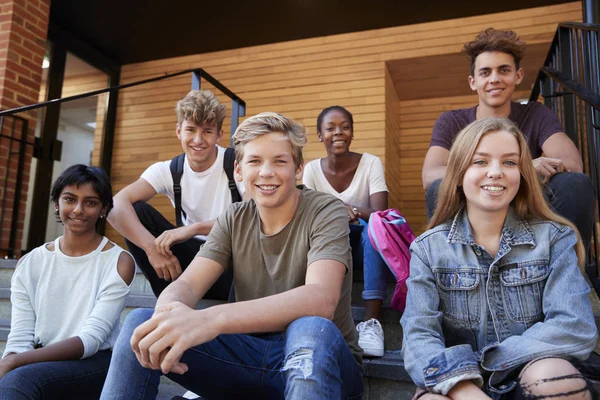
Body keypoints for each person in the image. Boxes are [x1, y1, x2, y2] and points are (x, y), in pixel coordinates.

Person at [99, 112, 363, 400]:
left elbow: (320, 299)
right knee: (142, 324)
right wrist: (168, 315)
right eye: (254, 161)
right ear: (238, 171)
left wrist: (212, 319)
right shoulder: (234, 217)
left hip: (319, 362)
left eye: (279, 161)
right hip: (247, 357)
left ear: (298, 169)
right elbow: (187, 285)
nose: (266, 172)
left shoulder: (327, 210)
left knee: (310, 327)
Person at [402, 118, 598, 399]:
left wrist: (489, 360)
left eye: (509, 162)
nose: (495, 172)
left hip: (530, 372)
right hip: (460, 383)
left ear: (522, 174)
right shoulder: (427, 249)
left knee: (552, 376)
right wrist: (462, 384)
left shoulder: (555, 238)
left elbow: (573, 326)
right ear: (458, 173)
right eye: (480, 161)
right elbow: (419, 336)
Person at [422, 28, 594, 248]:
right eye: (485, 72)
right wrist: (515, 167)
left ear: (517, 76)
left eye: (503, 70)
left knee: (575, 183)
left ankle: (567, 266)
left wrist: (521, 174)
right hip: (475, 205)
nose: (495, 79)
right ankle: (451, 268)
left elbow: (572, 164)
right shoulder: (451, 121)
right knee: (439, 187)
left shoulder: (536, 113)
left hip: (523, 203)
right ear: (473, 81)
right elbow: (430, 174)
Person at [0, 164, 135, 400]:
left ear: (104, 209)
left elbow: (91, 340)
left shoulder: (119, 262)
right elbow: (20, 336)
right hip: (39, 359)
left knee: (18, 380)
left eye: (90, 202)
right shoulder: (29, 263)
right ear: (57, 203)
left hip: (94, 363)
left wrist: (13, 362)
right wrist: (10, 360)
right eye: (70, 199)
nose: (78, 210)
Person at [107, 89, 244, 299]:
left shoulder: (237, 164)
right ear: (179, 131)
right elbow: (115, 206)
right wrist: (151, 248)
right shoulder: (169, 170)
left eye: (207, 131)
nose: (198, 140)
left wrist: (192, 229)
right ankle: (170, 298)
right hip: (189, 263)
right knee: (137, 210)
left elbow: (255, 216)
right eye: (191, 130)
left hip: (233, 265)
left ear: (219, 134)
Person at [303, 105, 389, 357]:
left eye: (345, 127)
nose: (338, 133)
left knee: (374, 227)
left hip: (364, 240)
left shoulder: (371, 163)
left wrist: (350, 209)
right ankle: (317, 316)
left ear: (352, 133)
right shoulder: (311, 170)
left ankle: (372, 323)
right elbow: (308, 215)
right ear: (320, 135)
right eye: (330, 128)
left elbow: (380, 214)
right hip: (330, 240)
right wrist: (337, 210)